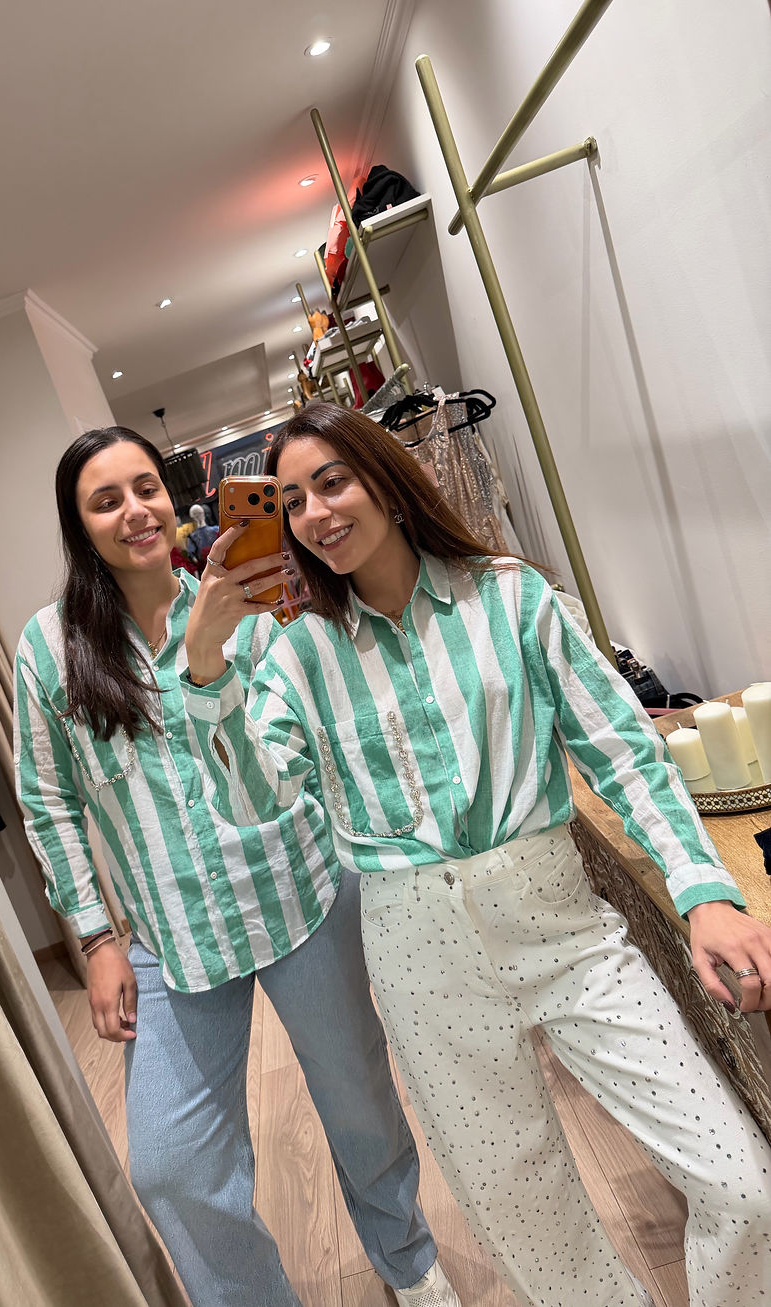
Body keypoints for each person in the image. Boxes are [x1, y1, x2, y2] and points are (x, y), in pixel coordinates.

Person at [181, 401, 771, 1307]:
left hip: (561, 923)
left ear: (386, 480)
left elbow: (623, 751)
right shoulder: (298, 653)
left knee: (741, 1184)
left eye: (332, 482)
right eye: (292, 500)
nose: (314, 514)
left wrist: (704, 890)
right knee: (530, 1220)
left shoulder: (511, 596)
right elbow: (254, 800)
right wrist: (208, 668)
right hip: (418, 949)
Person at [12, 425, 456, 1307]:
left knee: (358, 1101)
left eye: (146, 488)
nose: (135, 511)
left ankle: (409, 1263)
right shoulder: (52, 649)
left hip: (299, 889)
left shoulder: (256, 600)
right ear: (79, 525)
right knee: (169, 1165)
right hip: (171, 934)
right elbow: (48, 798)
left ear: (174, 499)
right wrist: (95, 938)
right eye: (106, 500)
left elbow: (314, 739)